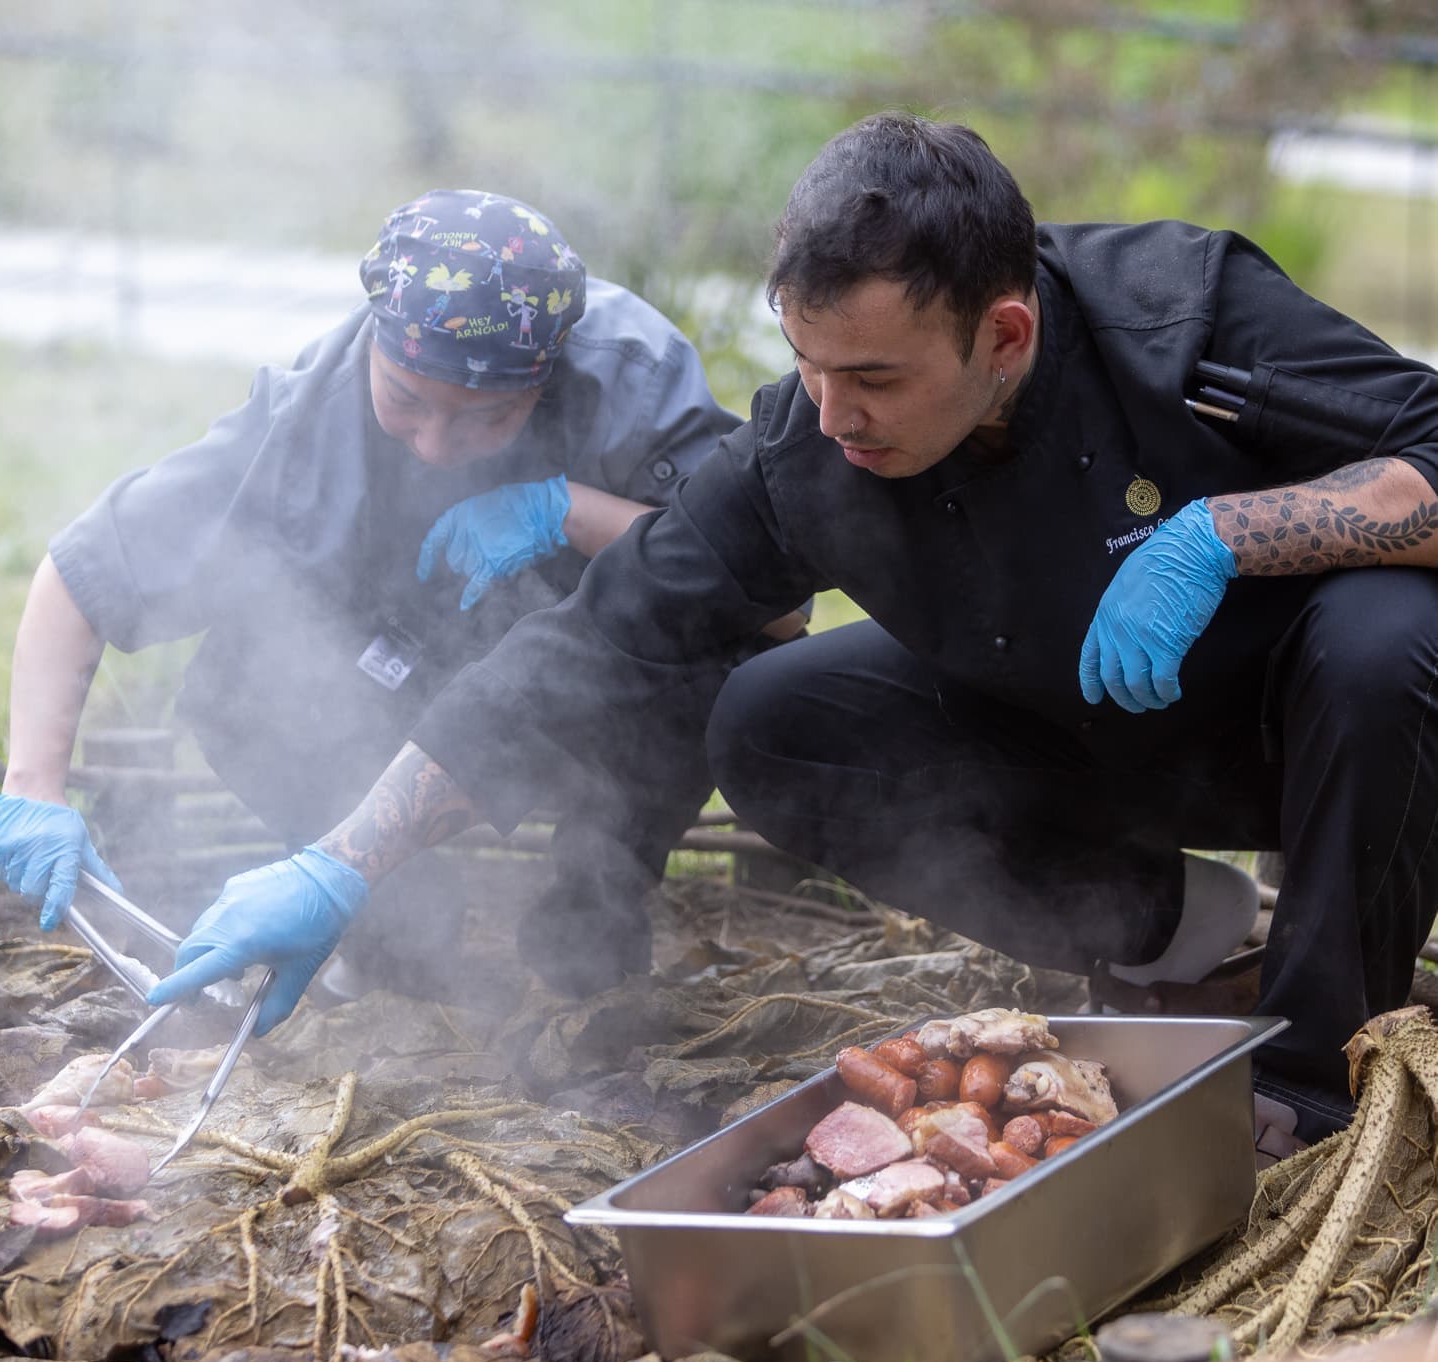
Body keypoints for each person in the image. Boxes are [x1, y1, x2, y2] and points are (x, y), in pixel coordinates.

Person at [144, 113, 1438, 1152]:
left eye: (873, 377)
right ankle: (1180, 942)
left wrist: (1217, 535)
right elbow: (592, 645)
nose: (832, 415)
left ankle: (1311, 1077)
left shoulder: (1184, 316)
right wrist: (340, 859)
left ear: (1003, 336)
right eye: (807, 364)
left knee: (1384, 639)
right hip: (1076, 733)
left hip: (1310, 737)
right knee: (770, 721)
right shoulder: (799, 452)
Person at [0, 188, 781, 1002]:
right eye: (405, 400)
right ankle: (397, 924)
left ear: (543, 379)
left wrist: (568, 511)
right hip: (402, 673)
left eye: (487, 416)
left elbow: (777, 607)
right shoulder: (305, 417)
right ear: (374, 341)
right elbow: (84, 573)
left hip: (587, 702)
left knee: (709, 659)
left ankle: (588, 919)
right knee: (234, 688)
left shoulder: (633, 381)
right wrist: (32, 790)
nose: (437, 445)